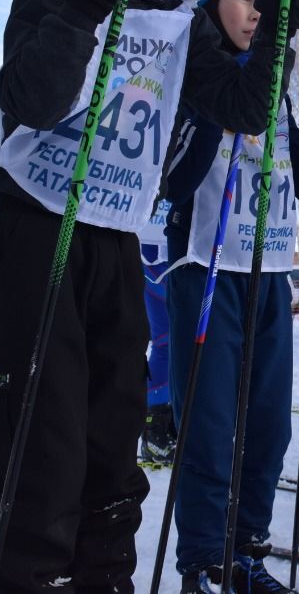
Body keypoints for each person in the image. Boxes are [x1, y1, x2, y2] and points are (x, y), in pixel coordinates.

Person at [0, 0, 299, 592]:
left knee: (111, 464)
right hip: (38, 237)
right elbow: (32, 95)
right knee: (44, 463)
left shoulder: (174, 19)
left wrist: (283, 7)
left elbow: (243, 106)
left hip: (115, 246)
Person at [160, 0, 299, 591]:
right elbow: (172, 179)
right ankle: (204, 559)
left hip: (270, 270)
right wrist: (210, 120)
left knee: (268, 429)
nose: (257, 12)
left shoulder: (275, 84)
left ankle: (248, 551)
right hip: (205, 267)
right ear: (208, 5)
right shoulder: (191, 74)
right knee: (208, 425)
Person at [138, 199, 174, 467]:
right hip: (156, 256)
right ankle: (154, 431)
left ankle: (167, 422)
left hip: (175, 251)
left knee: (175, 343)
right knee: (166, 342)